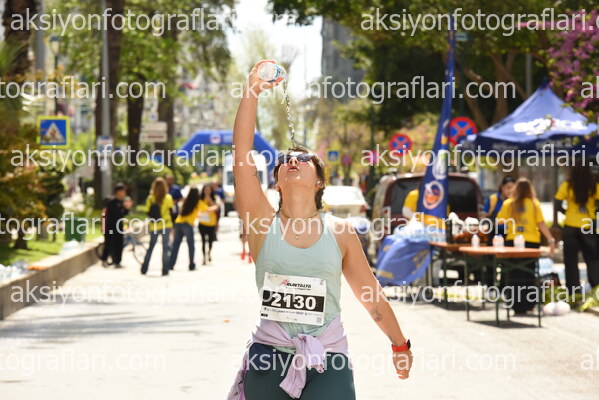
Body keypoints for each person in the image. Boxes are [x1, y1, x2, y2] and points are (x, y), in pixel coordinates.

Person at [227, 61, 411, 400]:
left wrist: (400, 344)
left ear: (320, 181)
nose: (292, 161)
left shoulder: (340, 232)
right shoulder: (262, 223)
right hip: (269, 354)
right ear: (277, 181)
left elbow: (369, 293)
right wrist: (252, 89)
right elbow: (241, 155)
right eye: (285, 160)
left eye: (303, 159)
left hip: (328, 355)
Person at [496, 178, 555, 315]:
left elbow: (499, 221)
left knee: (513, 273)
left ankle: (516, 305)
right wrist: (550, 240)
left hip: (512, 242)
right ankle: (529, 304)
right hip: (531, 242)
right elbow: (541, 224)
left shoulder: (509, 203)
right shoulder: (534, 204)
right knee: (529, 272)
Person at [554, 163, 599, 293]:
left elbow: (557, 203)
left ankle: (574, 292)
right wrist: (594, 213)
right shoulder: (593, 185)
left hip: (570, 226)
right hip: (588, 226)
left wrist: (566, 213)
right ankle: (596, 289)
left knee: (570, 261)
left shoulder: (567, 185)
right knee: (592, 259)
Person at [141, 177, 174, 276]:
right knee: (165, 248)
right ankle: (165, 270)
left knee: (151, 247)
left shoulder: (150, 198)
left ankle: (144, 268)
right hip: (166, 224)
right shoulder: (168, 198)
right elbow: (172, 212)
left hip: (154, 226)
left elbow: (148, 212)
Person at [101, 183, 132, 268]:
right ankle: (104, 259)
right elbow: (114, 214)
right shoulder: (111, 202)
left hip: (119, 227)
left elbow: (123, 213)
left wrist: (127, 208)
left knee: (119, 244)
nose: (124, 193)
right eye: (123, 191)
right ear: (118, 192)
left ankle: (117, 262)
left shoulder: (121, 202)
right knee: (109, 243)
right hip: (110, 227)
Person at [169, 187, 201, 271]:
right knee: (191, 245)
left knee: (176, 245)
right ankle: (191, 264)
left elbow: (180, 211)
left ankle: (171, 264)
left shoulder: (186, 201)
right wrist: (216, 206)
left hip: (178, 222)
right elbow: (207, 209)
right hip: (188, 224)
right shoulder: (198, 202)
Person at [482, 176, 516, 244]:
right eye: (508, 187)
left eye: (513, 188)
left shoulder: (515, 202)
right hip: (494, 233)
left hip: (510, 234)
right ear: (502, 187)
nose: (510, 191)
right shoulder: (493, 199)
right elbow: (484, 215)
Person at [198, 184, 219, 265]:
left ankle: (209, 253)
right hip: (202, 223)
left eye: (208, 190)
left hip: (211, 224)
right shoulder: (200, 199)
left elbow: (216, 207)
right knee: (203, 241)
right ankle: (204, 258)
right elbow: (199, 209)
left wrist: (209, 200)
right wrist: (210, 209)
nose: (207, 191)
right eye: (205, 190)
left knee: (210, 241)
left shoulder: (215, 198)